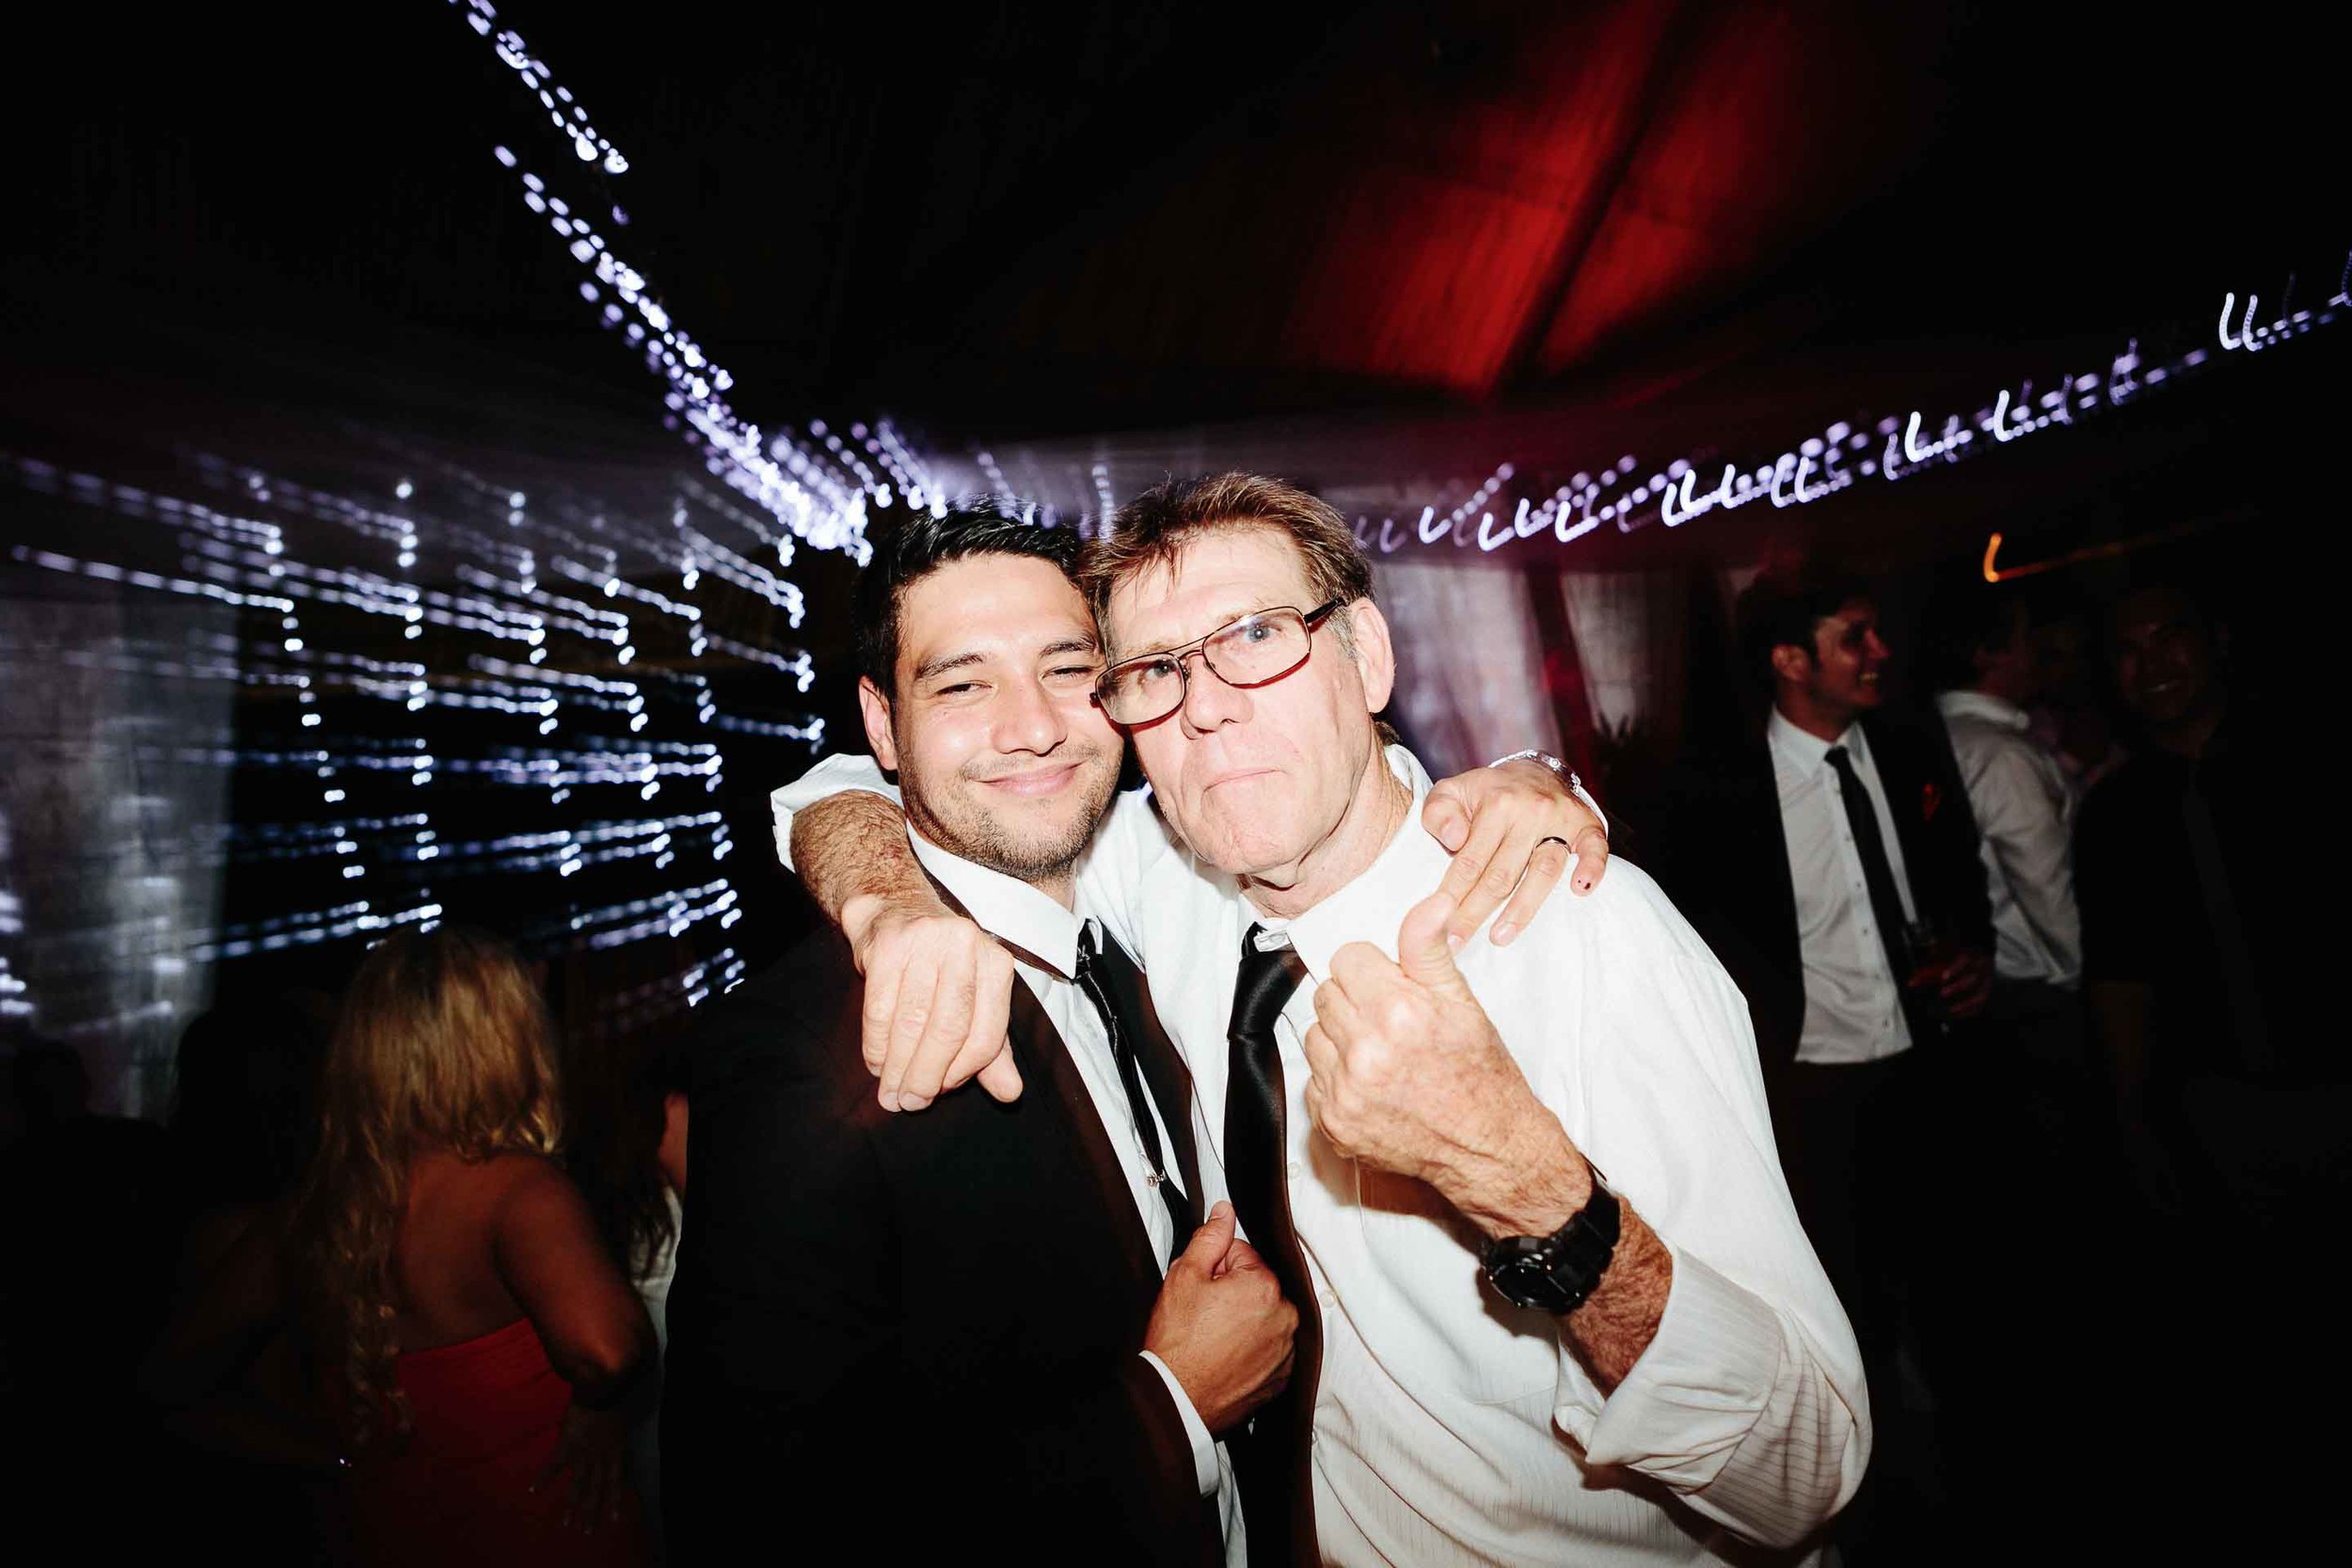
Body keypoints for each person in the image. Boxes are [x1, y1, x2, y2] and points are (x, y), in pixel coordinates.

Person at [777, 476, 1862, 1565]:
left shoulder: (1573, 928)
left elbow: (1804, 1470)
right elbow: (858, 783)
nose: (1205, 702)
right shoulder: (1161, 871)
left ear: (1369, 654)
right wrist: (890, 902)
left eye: (1256, 633)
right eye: (1155, 668)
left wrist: (1523, 1178)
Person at [144, 927, 656, 1567]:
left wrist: (328, 1455)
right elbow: (607, 1352)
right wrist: (601, 1405)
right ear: (501, 1038)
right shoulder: (514, 1191)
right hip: (546, 1535)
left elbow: (166, 1383)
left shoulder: (314, 1212)